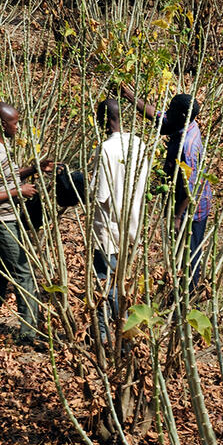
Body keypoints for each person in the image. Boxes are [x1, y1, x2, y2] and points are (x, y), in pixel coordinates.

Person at [0, 101, 53, 345]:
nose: (17, 127)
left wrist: (34, 168)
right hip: (0, 221)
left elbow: (6, 177)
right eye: (15, 122)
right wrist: (19, 192)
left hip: (3, 219)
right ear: (2, 124)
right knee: (24, 273)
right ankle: (30, 333)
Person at [120, 85, 212, 291]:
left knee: (189, 253)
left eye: (171, 109)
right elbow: (157, 116)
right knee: (180, 251)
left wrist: (178, 217)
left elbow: (192, 188)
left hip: (192, 207)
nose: (167, 111)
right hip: (179, 198)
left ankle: (188, 297)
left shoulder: (187, 146)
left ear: (181, 114)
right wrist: (131, 96)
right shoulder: (183, 123)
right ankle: (180, 290)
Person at [90, 98, 151, 345]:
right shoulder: (139, 144)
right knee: (122, 279)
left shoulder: (105, 149)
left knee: (106, 281)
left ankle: (111, 335)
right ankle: (124, 332)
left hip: (109, 227)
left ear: (103, 120)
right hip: (133, 223)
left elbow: (102, 195)